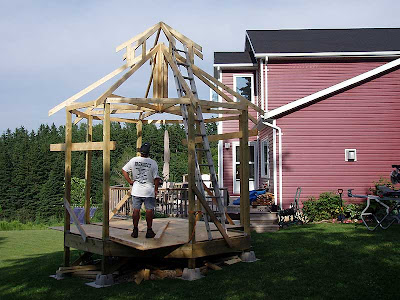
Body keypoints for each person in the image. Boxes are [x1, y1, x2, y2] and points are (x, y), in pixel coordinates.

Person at [122, 142, 160, 238]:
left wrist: (130, 181)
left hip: (136, 190)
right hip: (149, 191)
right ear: (148, 152)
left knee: (136, 210)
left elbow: (124, 170)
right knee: (149, 211)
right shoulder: (153, 163)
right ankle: (149, 230)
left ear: (140, 152)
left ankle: (135, 230)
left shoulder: (134, 160)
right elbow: (156, 178)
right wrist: (156, 189)